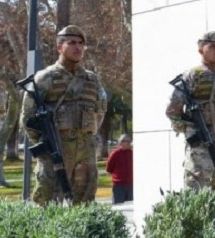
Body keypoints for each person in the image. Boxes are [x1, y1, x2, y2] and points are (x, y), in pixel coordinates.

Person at [20, 25, 106, 205]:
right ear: (59, 47)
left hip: (85, 150)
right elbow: (27, 118)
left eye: (81, 43)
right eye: (72, 43)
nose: (78, 47)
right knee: (47, 203)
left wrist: (89, 134)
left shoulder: (92, 80)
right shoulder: (44, 78)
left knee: (85, 202)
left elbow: (100, 109)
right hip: (55, 150)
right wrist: (45, 144)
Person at [165, 31, 215, 192]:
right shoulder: (191, 76)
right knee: (197, 193)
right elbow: (172, 111)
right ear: (201, 50)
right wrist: (191, 131)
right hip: (201, 149)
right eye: (212, 46)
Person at [105, 133, 133, 204]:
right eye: (128, 141)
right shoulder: (115, 154)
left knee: (130, 205)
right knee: (118, 205)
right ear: (121, 142)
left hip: (131, 185)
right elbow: (109, 168)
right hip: (119, 186)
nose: (130, 143)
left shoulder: (132, 153)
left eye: (130, 141)